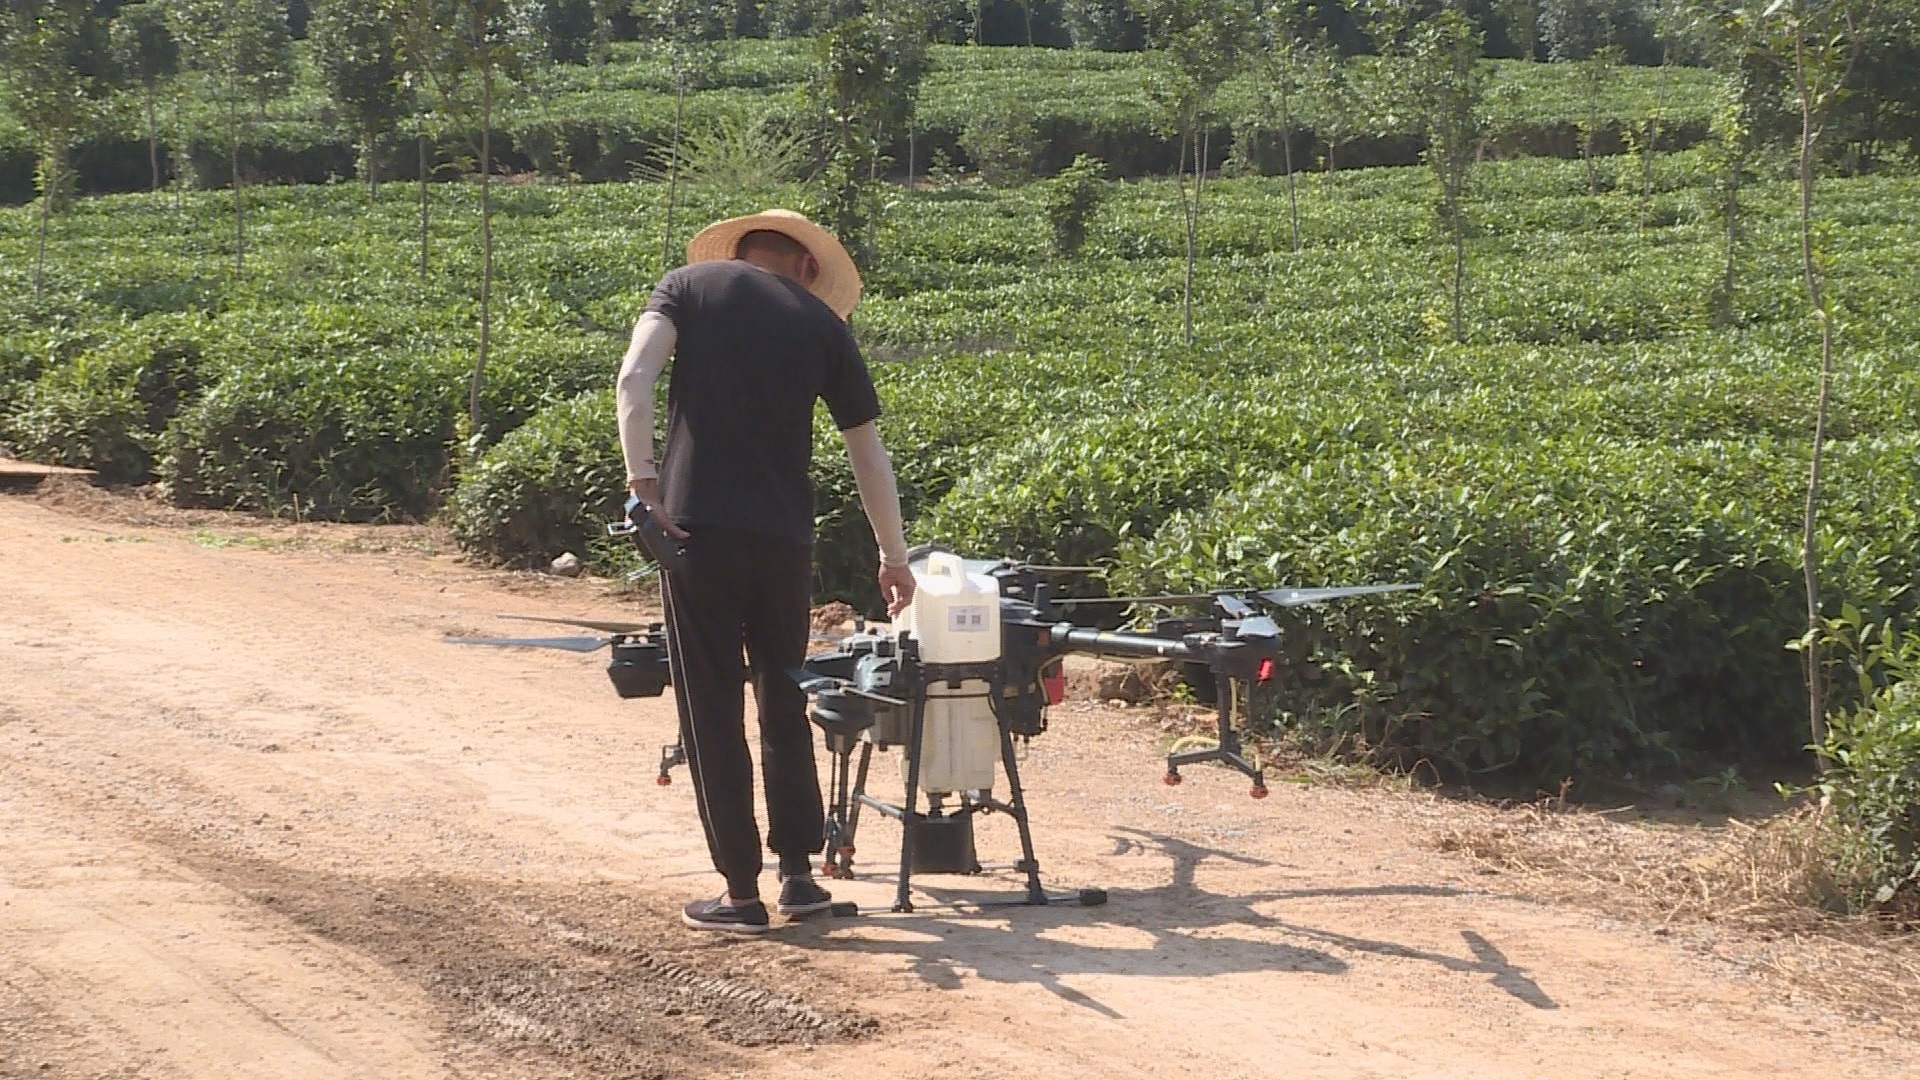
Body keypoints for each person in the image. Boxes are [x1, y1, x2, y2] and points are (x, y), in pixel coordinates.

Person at [615, 209, 915, 933]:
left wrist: (645, 484)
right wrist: (894, 559)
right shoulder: (823, 326)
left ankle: (740, 894)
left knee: (711, 705)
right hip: (784, 542)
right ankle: (800, 879)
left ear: (743, 251)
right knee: (784, 700)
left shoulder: (686, 286)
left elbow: (634, 376)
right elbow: (869, 456)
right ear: (808, 268)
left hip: (696, 533)